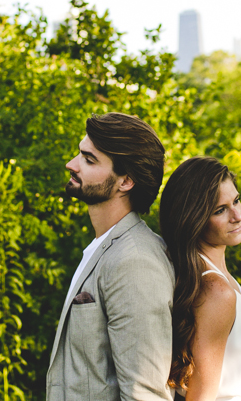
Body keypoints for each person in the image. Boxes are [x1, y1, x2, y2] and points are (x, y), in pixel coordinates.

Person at [46, 112, 175, 401]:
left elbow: (146, 395)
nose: (71, 164)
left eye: (89, 160)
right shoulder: (105, 247)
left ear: (125, 181)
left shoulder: (135, 262)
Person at [159, 156, 241, 401]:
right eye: (220, 210)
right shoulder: (216, 291)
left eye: (236, 201)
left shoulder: (212, 278)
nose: (237, 215)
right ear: (193, 219)